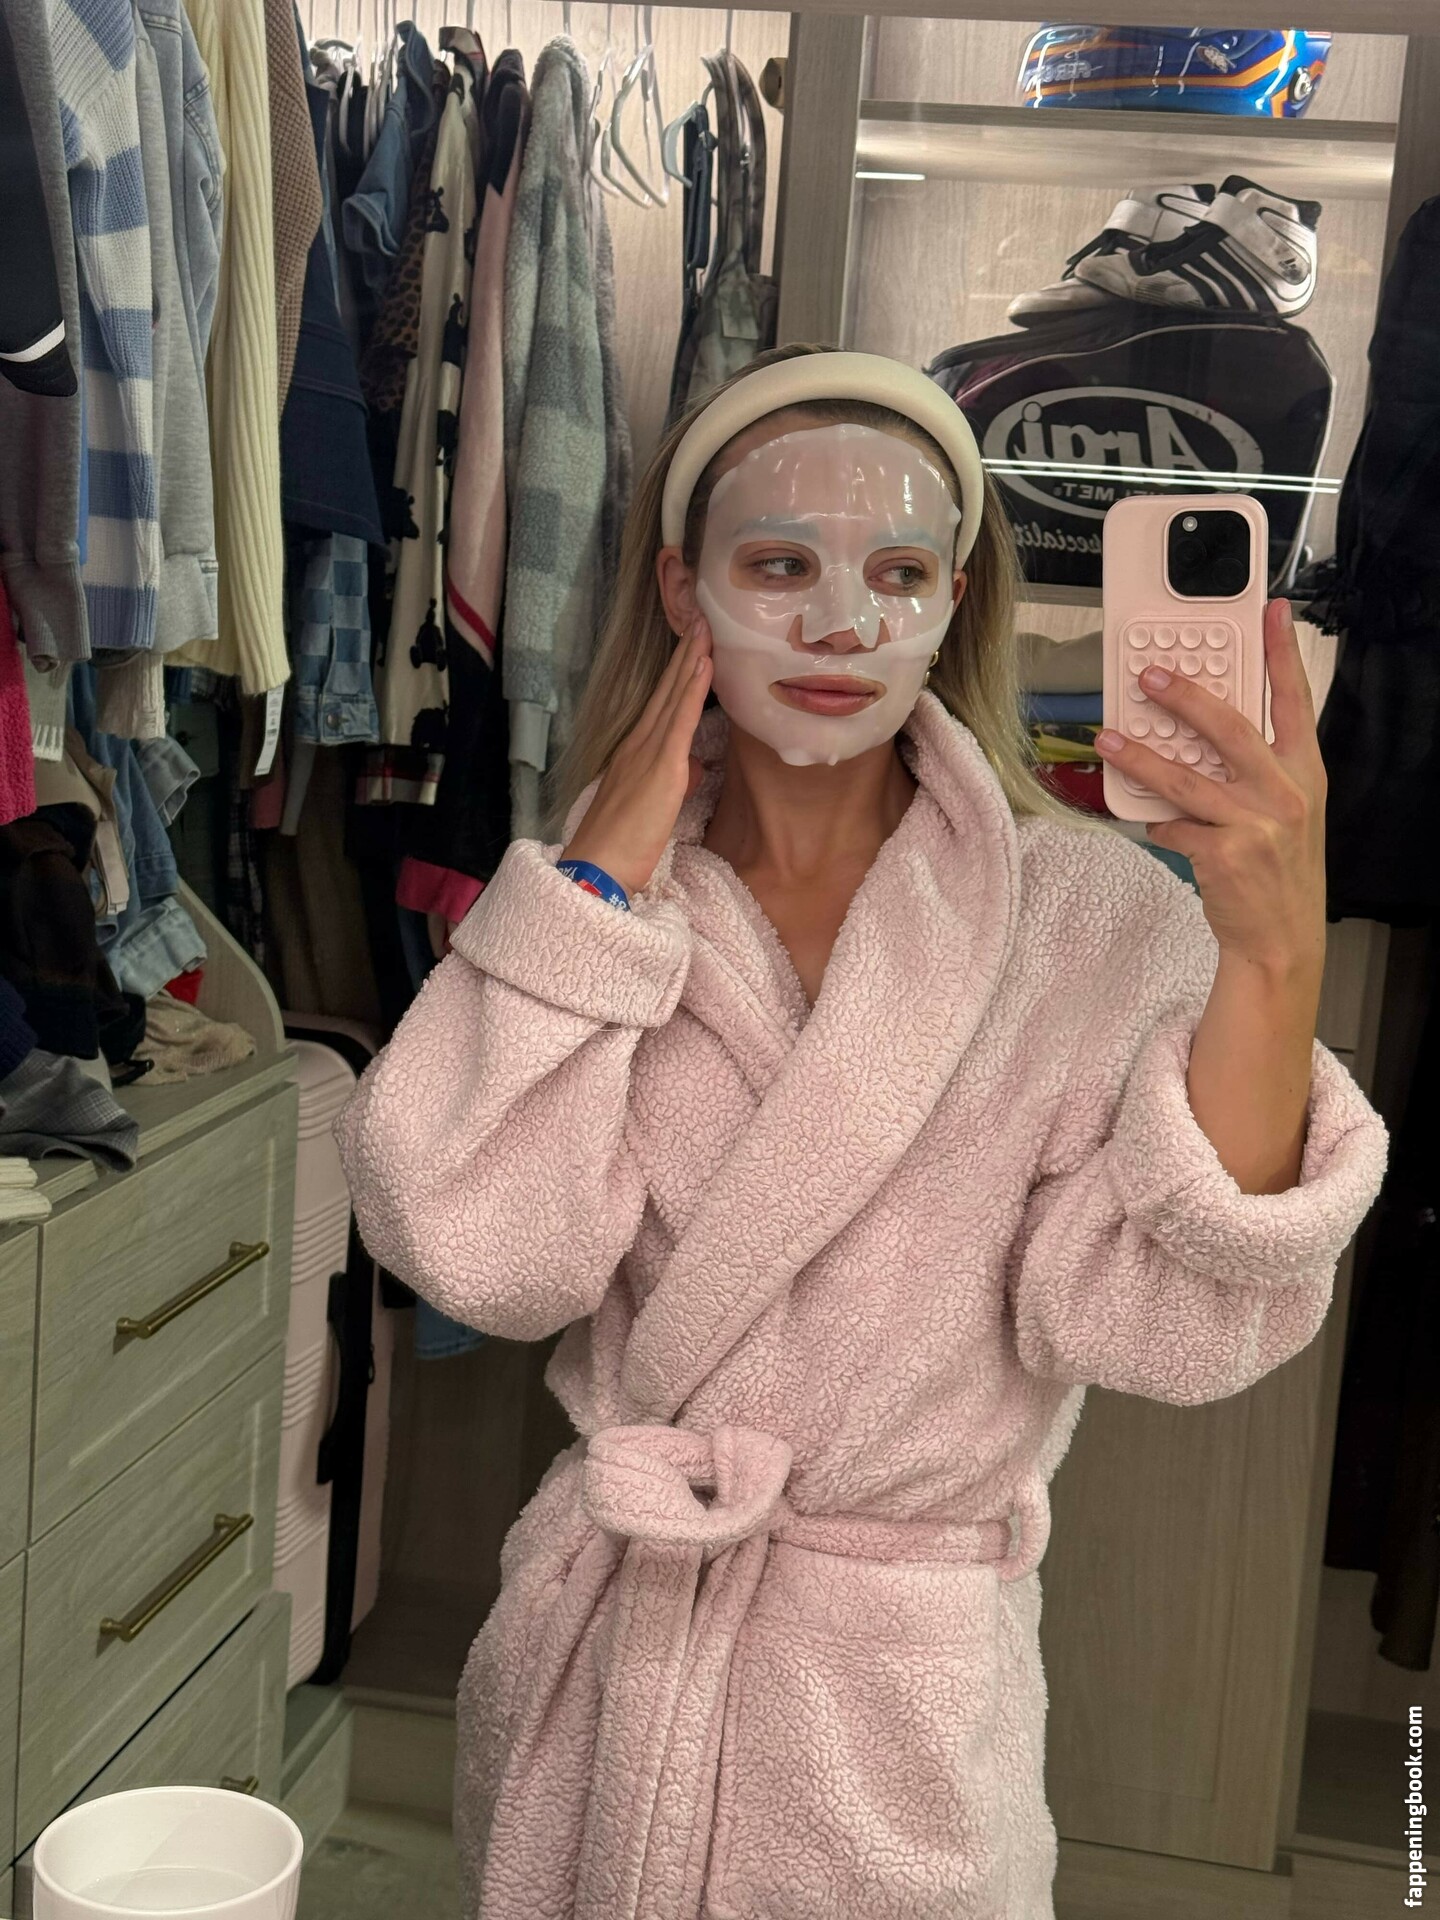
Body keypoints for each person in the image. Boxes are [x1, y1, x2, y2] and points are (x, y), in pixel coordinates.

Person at [334, 344, 1388, 1919]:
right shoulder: (605, 912)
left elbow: (1160, 1320)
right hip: (613, 1677)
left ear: (953, 603)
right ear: (686, 592)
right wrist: (591, 896)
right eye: (782, 564)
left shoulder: (1088, 918)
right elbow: (485, 1254)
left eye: (899, 572)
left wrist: (1277, 957)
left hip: (893, 1709)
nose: (843, 621)